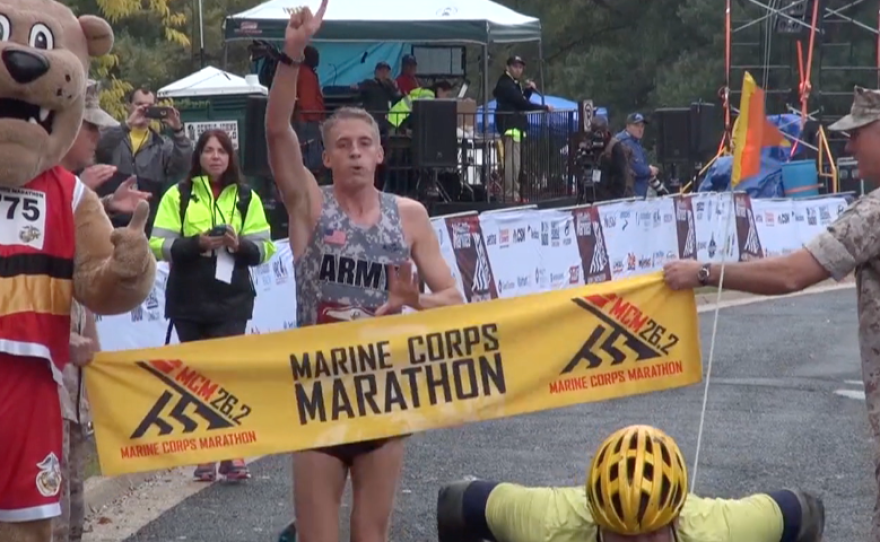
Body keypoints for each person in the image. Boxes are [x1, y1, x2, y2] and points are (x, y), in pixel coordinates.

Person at [266, 3, 464, 541]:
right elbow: (278, 130)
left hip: (383, 394)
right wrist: (292, 55)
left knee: (371, 535)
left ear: (380, 154)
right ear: (325, 158)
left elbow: (455, 299)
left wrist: (412, 302)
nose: (354, 154)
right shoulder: (310, 204)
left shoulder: (410, 216)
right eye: (342, 146)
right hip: (318, 394)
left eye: (364, 145)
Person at [662, 85, 880, 542]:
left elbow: (790, 275)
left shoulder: (874, 214)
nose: (847, 145)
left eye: (858, 133)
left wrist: (704, 272)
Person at [436, 424, 824, 542]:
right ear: (597, 522)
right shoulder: (548, 524)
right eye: (623, 539)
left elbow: (805, 511)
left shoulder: (718, 529)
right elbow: (455, 502)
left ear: (675, 520)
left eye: (651, 537)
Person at [148, 129, 275, 482]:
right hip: (188, 297)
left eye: (222, 151)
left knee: (227, 374)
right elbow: (157, 244)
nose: (215, 156)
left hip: (231, 299)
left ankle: (233, 453)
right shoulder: (179, 194)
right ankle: (204, 455)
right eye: (209, 151)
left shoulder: (248, 197)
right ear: (199, 157)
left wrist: (238, 245)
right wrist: (196, 243)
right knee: (197, 378)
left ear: (231, 156)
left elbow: (266, 249)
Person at [95, 86, 193, 231]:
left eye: (150, 106)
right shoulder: (115, 135)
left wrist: (178, 131)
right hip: (109, 218)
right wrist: (128, 124)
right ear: (129, 106)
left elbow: (182, 166)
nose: (144, 110)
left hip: (146, 222)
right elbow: (100, 148)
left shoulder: (162, 145)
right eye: (139, 104)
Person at [492, 55, 552, 202]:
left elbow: (520, 101)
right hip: (510, 127)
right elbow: (522, 103)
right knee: (512, 164)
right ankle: (510, 193)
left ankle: (514, 192)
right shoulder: (506, 84)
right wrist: (544, 107)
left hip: (516, 127)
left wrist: (528, 91)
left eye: (520, 67)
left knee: (516, 164)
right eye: (515, 66)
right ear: (508, 67)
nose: (518, 70)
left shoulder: (513, 84)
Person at [615, 113, 660, 197]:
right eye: (636, 126)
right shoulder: (624, 142)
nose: (640, 129)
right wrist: (650, 170)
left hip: (638, 192)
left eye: (642, 126)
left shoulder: (636, 143)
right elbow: (636, 168)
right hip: (629, 194)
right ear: (628, 126)